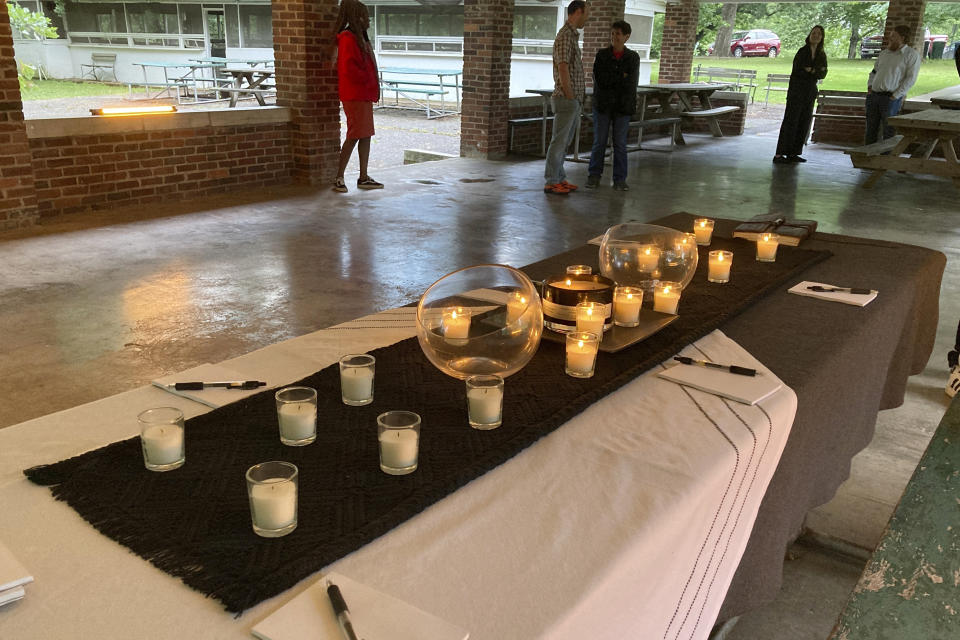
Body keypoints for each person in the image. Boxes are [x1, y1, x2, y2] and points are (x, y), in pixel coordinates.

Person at [332, 0, 383, 193]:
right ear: (356, 16)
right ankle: (339, 176)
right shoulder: (347, 37)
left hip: (364, 94)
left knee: (366, 134)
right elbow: (348, 69)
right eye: (365, 16)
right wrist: (367, 77)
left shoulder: (359, 37)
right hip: (355, 94)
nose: (368, 21)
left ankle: (363, 176)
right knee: (354, 134)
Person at [586, 20, 640, 190]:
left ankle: (620, 179)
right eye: (613, 33)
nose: (614, 37)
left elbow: (630, 83)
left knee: (620, 143)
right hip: (603, 105)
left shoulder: (632, 57)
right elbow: (600, 79)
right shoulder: (602, 55)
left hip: (622, 106)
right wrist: (620, 76)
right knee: (599, 141)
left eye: (618, 34)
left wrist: (616, 77)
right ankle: (594, 176)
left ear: (626, 37)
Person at [543, 0, 589, 196]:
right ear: (578, 12)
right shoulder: (565, 37)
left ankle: (559, 178)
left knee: (564, 142)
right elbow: (562, 67)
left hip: (573, 99)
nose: (589, 18)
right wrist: (570, 96)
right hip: (566, 99)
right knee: (559, 141)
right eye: (587, 13)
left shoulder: (572, 36)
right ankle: (552, 181)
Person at [772, 25, 827, 164]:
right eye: (814, 33)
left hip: (810, 92)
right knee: (791, 121)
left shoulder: (821, 54)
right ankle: (779, 154)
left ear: (822, 37)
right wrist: (813, 71)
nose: (816, 35)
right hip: (797, 91)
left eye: (819, 34)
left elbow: (823, 73)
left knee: (804, 121)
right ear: (809, 35)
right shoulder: (802, 52)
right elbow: (798, 70)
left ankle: (794, 152)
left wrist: (812, 71)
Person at [864, 25, 922, 145]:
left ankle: (886, 158)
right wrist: (870, 87)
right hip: (874, 95)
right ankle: (867, 156)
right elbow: (874, 71)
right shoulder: (884, 54)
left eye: (893, 36)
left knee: (889, 130)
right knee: (871, 128)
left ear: (902, 37)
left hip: (890, 98)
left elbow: (910, 78)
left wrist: (896, 95)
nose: (890, 39)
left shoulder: (911, 55)